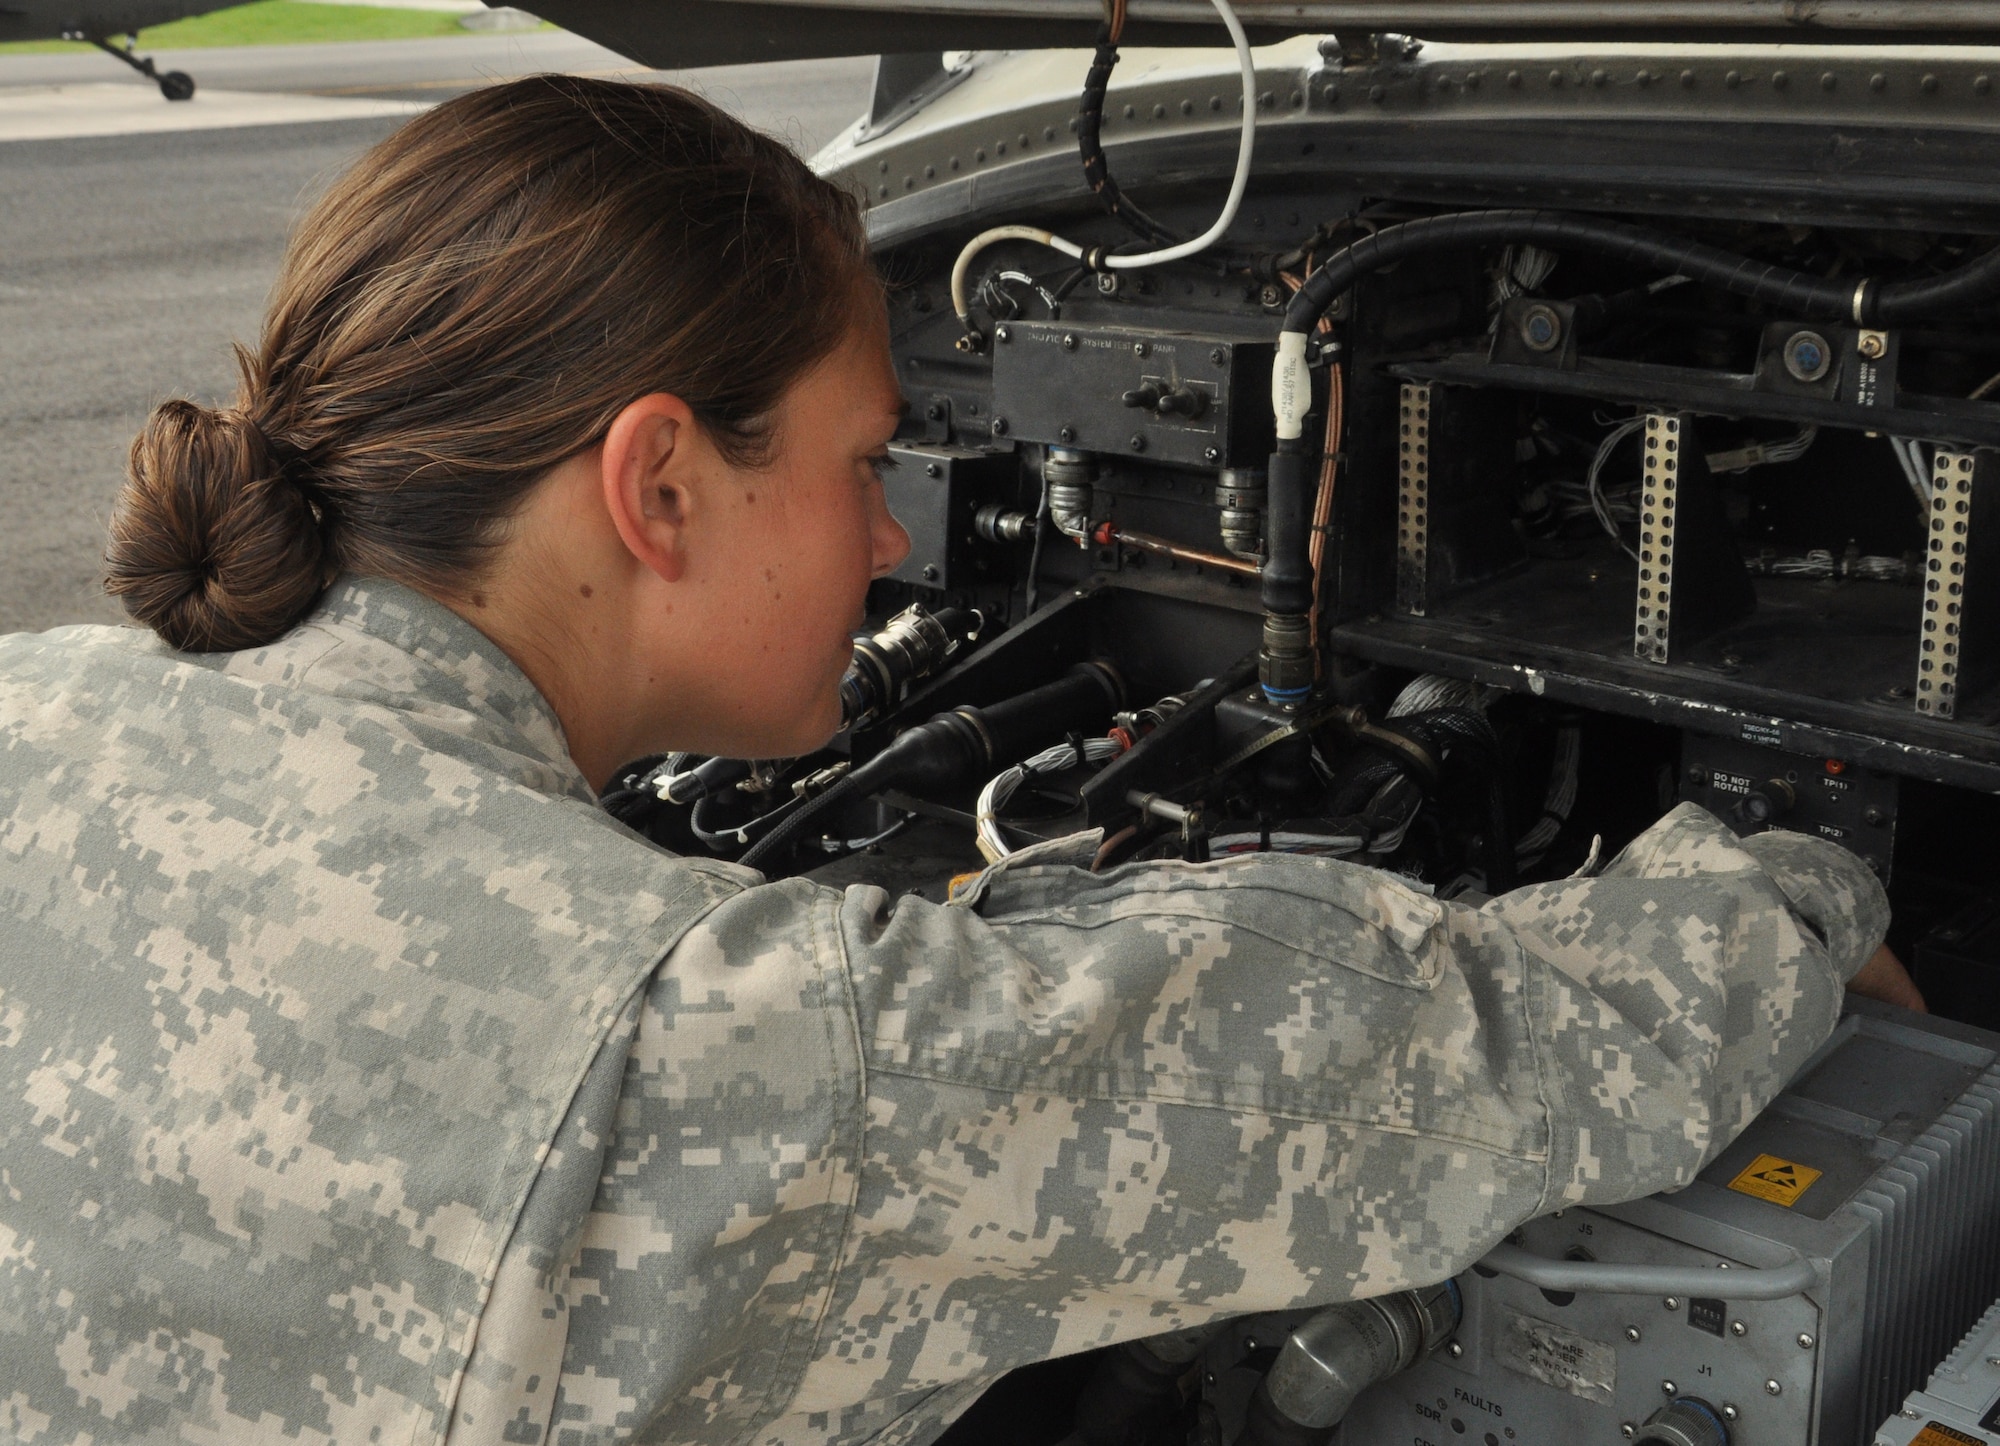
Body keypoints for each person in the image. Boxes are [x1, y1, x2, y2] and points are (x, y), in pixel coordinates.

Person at [0, 75, 1914, 1446]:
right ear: (658, 483)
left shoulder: (33, 712)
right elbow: (1452, 1061)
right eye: (861, 461)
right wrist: (1797, 897)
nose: (902, 540)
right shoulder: (728, 1048)